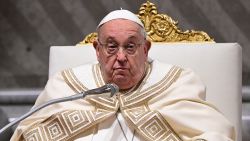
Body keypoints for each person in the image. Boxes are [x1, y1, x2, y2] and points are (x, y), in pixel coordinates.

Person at [11, 10, 235, 141]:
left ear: (145, 49)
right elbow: (29, 133)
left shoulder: (177, 81)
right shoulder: (67, 85)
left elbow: (217, 135)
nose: (120, 57)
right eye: (110, 47)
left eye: (130, 47)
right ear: (97, 50)